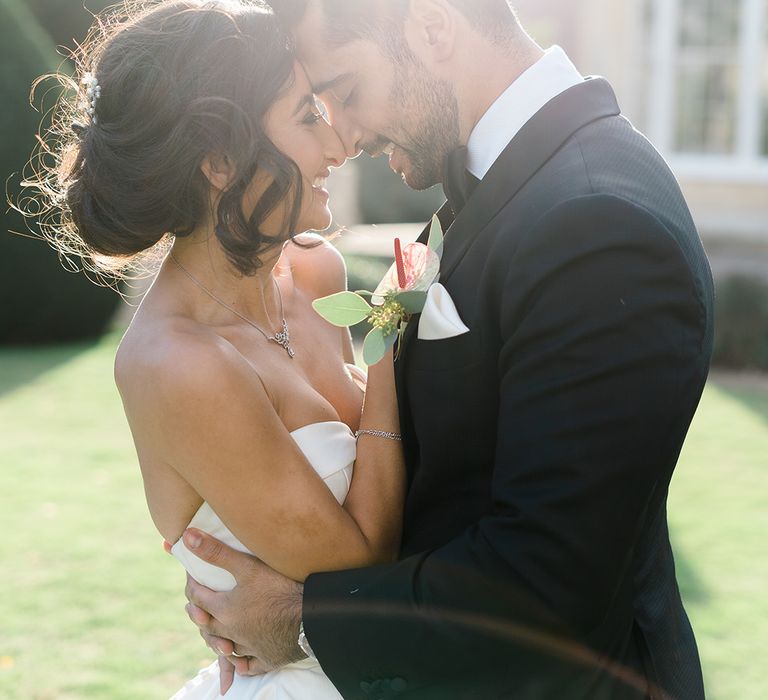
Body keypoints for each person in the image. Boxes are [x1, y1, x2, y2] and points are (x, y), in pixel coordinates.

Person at [183, 1, 713, 698]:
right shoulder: (510, 184)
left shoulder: (598, 222)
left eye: (345, 91)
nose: (346, 135)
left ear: (432, 27)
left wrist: (300, 622)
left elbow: (546, 585)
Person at [27, 1, 410, 697]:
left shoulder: (316, 271)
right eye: (305, 116)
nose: (338, 145)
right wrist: (388, 345)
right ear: (219, 158)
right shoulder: (175, 364)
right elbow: (359, 564)